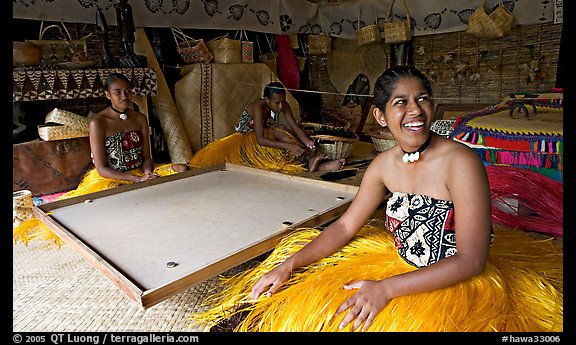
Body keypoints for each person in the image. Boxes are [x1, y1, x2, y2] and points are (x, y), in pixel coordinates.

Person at [190, 65, 562, 332]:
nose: (414, 110)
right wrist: (289, 265)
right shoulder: (382, 166)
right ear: (380, 117)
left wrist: (385, 289)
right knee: (311, 296)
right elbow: (347, 225)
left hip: (453, 282)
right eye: (400, 102)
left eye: (423, 99)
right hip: (395, 263)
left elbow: (471, 260)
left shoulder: (460, 162)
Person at [13, 73, 188, 247]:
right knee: (122, 202)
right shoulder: (98, 123)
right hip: (113, 177)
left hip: (141, 172)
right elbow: (102, 168)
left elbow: (147, 157)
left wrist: (148, 173)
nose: (124, 97)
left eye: (127, 91)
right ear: (107, 95)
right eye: (117, 92)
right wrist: (136, 180)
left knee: (182, 169)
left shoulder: (139, 118)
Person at [188, 81, 345, 174]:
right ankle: (310, 164)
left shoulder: (284, 105)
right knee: (280, 132)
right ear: (267, 99)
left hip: (268, 135)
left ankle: (312, 161)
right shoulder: (258, 106)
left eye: (283, 101)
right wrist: (291, 146)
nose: (281, 105)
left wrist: (309, 143)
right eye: (277, 103)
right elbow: (260, 139)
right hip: (249, 140)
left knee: (284, 129)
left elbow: (295, 127)